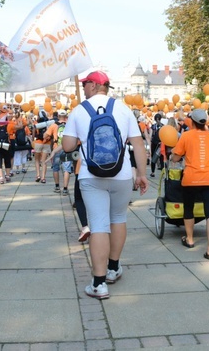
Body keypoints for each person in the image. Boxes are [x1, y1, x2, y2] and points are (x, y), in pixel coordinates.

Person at [62, 71, 148, 300]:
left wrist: (78, 133)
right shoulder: (123, 109)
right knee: (118, 218)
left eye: (85, 84)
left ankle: (99, 283)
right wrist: (141, 174)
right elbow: (138, 144)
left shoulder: (79, 110)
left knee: (98, 224)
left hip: (91, 175)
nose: (83, 87)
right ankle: (113, 268)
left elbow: (68, 146)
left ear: (93, 85)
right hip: (121, 174)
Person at [169, 108, 209, 261]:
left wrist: (173, 155)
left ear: (192, 122)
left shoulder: (186, 136)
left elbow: (175, 159)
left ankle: (189, 239)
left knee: (188, 208)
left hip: (191, 179)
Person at [47, 110, 71, 193]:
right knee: (67, 169)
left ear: (58, 116)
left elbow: (46, 135)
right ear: (66, 116)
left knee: (55, 168)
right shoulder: (69, 125)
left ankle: (57, 187)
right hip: (67, 149)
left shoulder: (54, 125)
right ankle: (65, 189)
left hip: (56, 148)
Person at [0, 104, 15, 183]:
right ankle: (7, 176)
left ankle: (1, 177)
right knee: (7, 160)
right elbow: (19, 127)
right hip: (6, 145)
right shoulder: (10, 125)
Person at [33, 110, 52, 183]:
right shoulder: (49, 123)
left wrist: (32, 140)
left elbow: (34, 134)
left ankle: (38, 175)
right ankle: (43, 177)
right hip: (47, 143)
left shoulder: (37, 123)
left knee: (37, 160)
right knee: (44, 161)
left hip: (38, 142)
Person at [149, 113, 164, 178]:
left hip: (154, 143)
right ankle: (163, 173)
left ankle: (153, 172)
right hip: (161, 143)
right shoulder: (163, 126)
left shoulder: (153, 126)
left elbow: (150, 135)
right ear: (160, 118)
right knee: (161, 158)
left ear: (155, 119)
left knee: (153, 157)